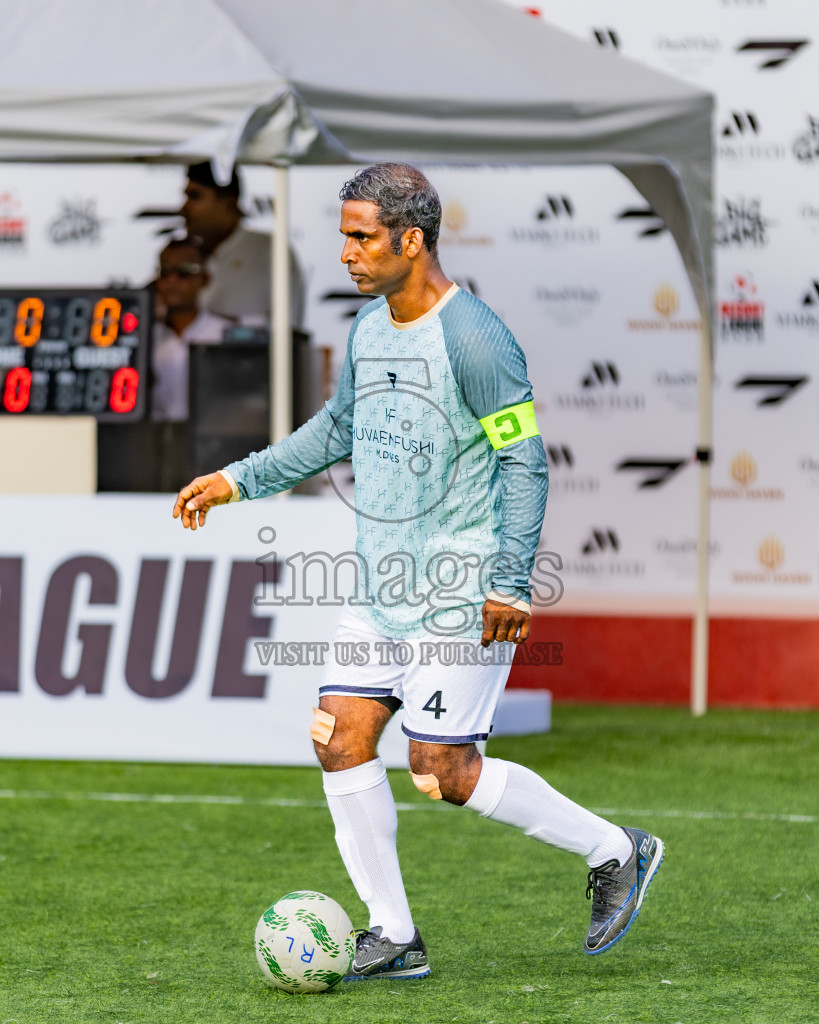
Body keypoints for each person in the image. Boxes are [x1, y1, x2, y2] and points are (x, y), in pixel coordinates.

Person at [172, 163, 664, 980]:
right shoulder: (370, 327)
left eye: (360, 237)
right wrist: (237, 480)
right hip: (380, 584)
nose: (346, 254)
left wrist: (509, 580)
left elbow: (524, 463)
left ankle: (615, 850)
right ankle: (393, 935)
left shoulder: (473, 337)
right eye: (343, 237)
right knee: (339, 737)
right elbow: (336, 429)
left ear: (411, 239)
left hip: (461, 589)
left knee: (442, 771)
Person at [180, 161, 305, 328]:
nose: (184, 208)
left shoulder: (271, 252)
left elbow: (288, 333)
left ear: (228, 203)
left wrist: (225, 328)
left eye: (195, 196)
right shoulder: (182, 257)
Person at [151, 237, 231, 422]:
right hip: (154, 442)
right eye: (165, 272)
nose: (172, 281)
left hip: (212, 441)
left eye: (184, 272)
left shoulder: (224, 335)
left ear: (205, 279)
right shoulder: (145, 338)